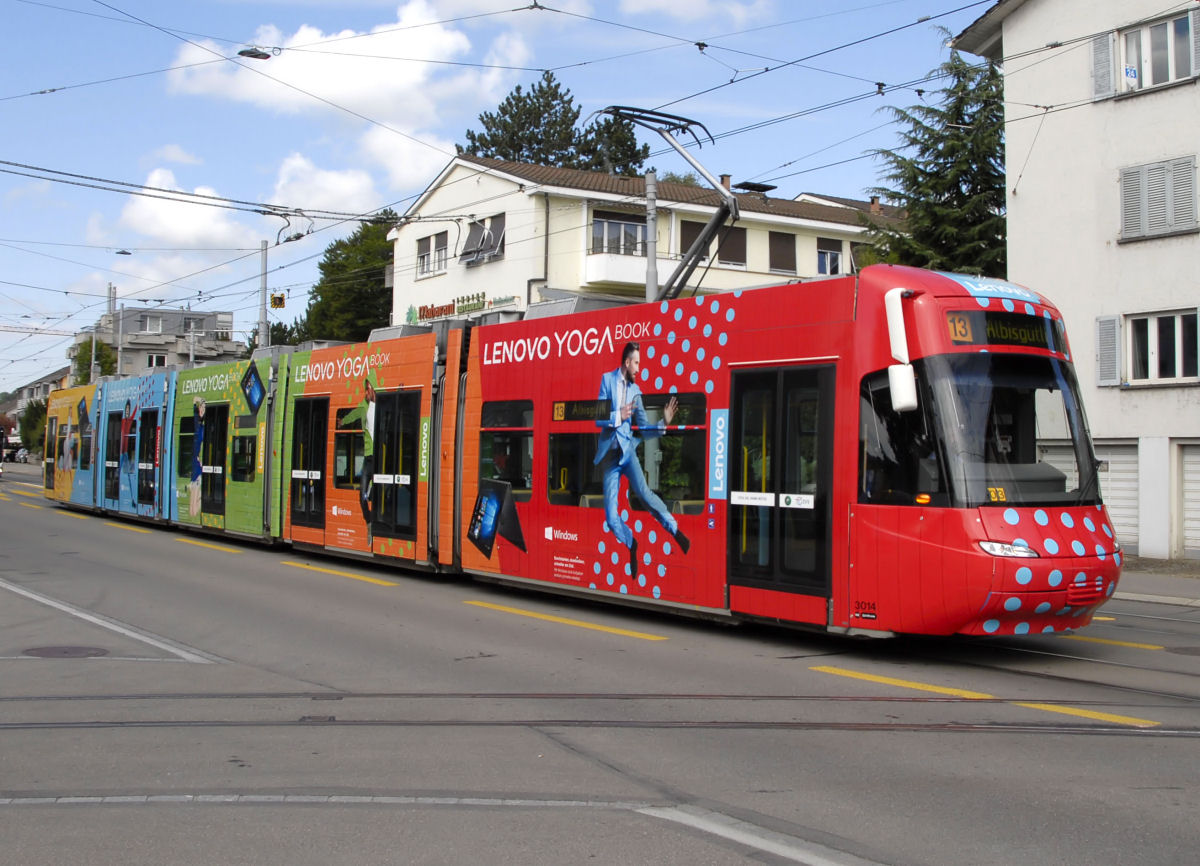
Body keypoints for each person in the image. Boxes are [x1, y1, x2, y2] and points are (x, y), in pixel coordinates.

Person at [594, 341, 689, 577]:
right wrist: (619, 415)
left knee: (646, 495)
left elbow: (645, 429)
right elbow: (598, 417)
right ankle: (631, 543)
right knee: (611, 518)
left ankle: (675, 530)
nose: (639, 368)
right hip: (609, 457)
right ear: (627, 362)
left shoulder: (637, 392)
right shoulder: (606, 380)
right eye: (636, 363)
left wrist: (663, 422)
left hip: (627, 453)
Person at [338, 373, 378, 522]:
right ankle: (368, 521)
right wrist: (343, 421)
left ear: (374, 389)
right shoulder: (363, 407)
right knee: (362, 495)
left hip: (379, 458)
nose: (366, 392)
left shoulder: (381, 406)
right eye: (365, 389)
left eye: (368, 389)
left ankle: (375, 521)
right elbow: (354, 414)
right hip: (368, 459)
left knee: (376, 493)